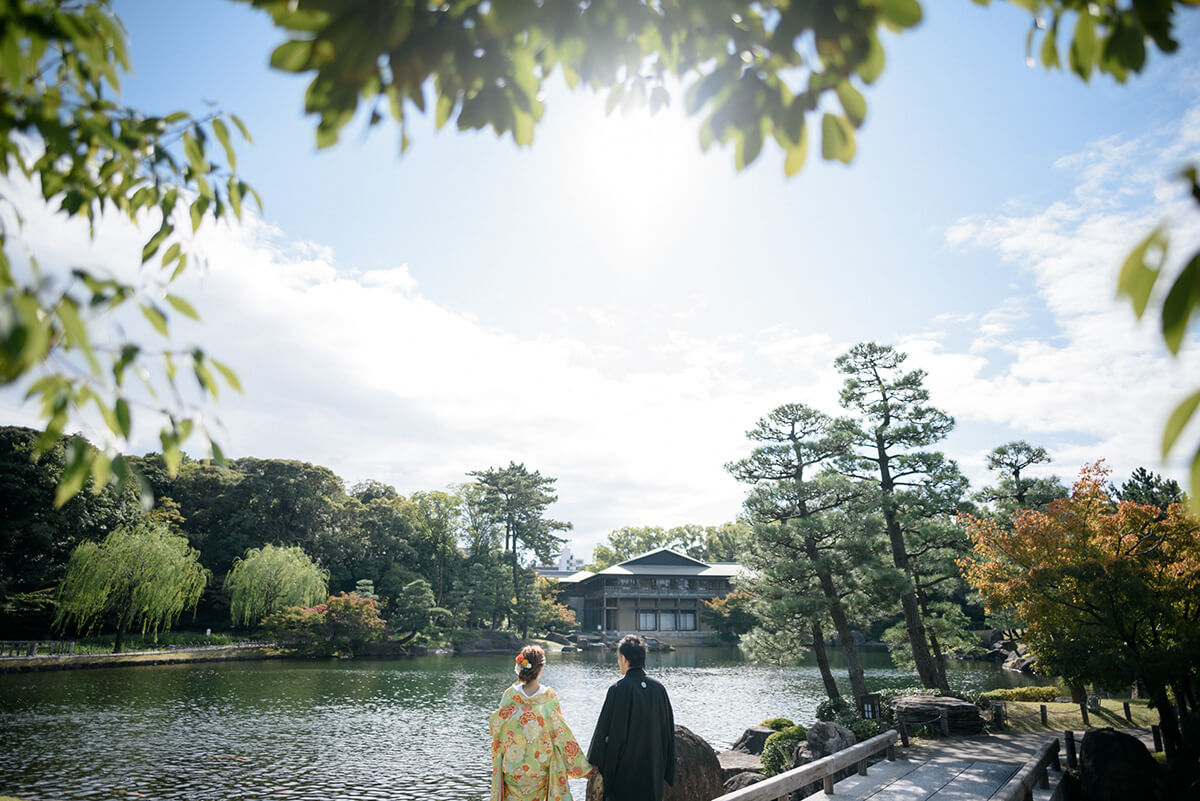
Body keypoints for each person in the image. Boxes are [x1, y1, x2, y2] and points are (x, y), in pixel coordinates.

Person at [490, 644, 592, 801]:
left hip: (511, 771)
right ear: (541, 668)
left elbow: (497, 731)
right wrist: (584, 768)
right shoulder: (549, 698)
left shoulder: (510, 696)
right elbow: (561, 736)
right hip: (539, 773)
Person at [587, 634, 675, 801]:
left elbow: (603, 732)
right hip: (652, 774)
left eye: (619, 658)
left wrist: (594, 763)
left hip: (624, 777)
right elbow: (668, 733)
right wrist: (666, 771)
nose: (618, 662)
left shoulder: (618, 689)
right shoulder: (659, 689)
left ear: (625, 659)